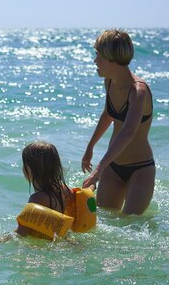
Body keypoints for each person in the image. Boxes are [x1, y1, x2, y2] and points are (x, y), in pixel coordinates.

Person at [81, 29, 155, 215]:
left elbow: (129, 131)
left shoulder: (139, 92)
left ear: (112, 58)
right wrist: (90, 146)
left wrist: (98, 170)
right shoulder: (109, 82)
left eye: (98, 56)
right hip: (113, 167)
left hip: (140, 170)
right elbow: (108, 114)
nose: (95, 61)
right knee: (105, 221)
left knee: (130, 225)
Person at [16, 141, 76, 238]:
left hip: (49, 247)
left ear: (30, 170)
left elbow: (21, 233)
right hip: (64, 239)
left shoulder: (37, 199)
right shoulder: (65, 189)